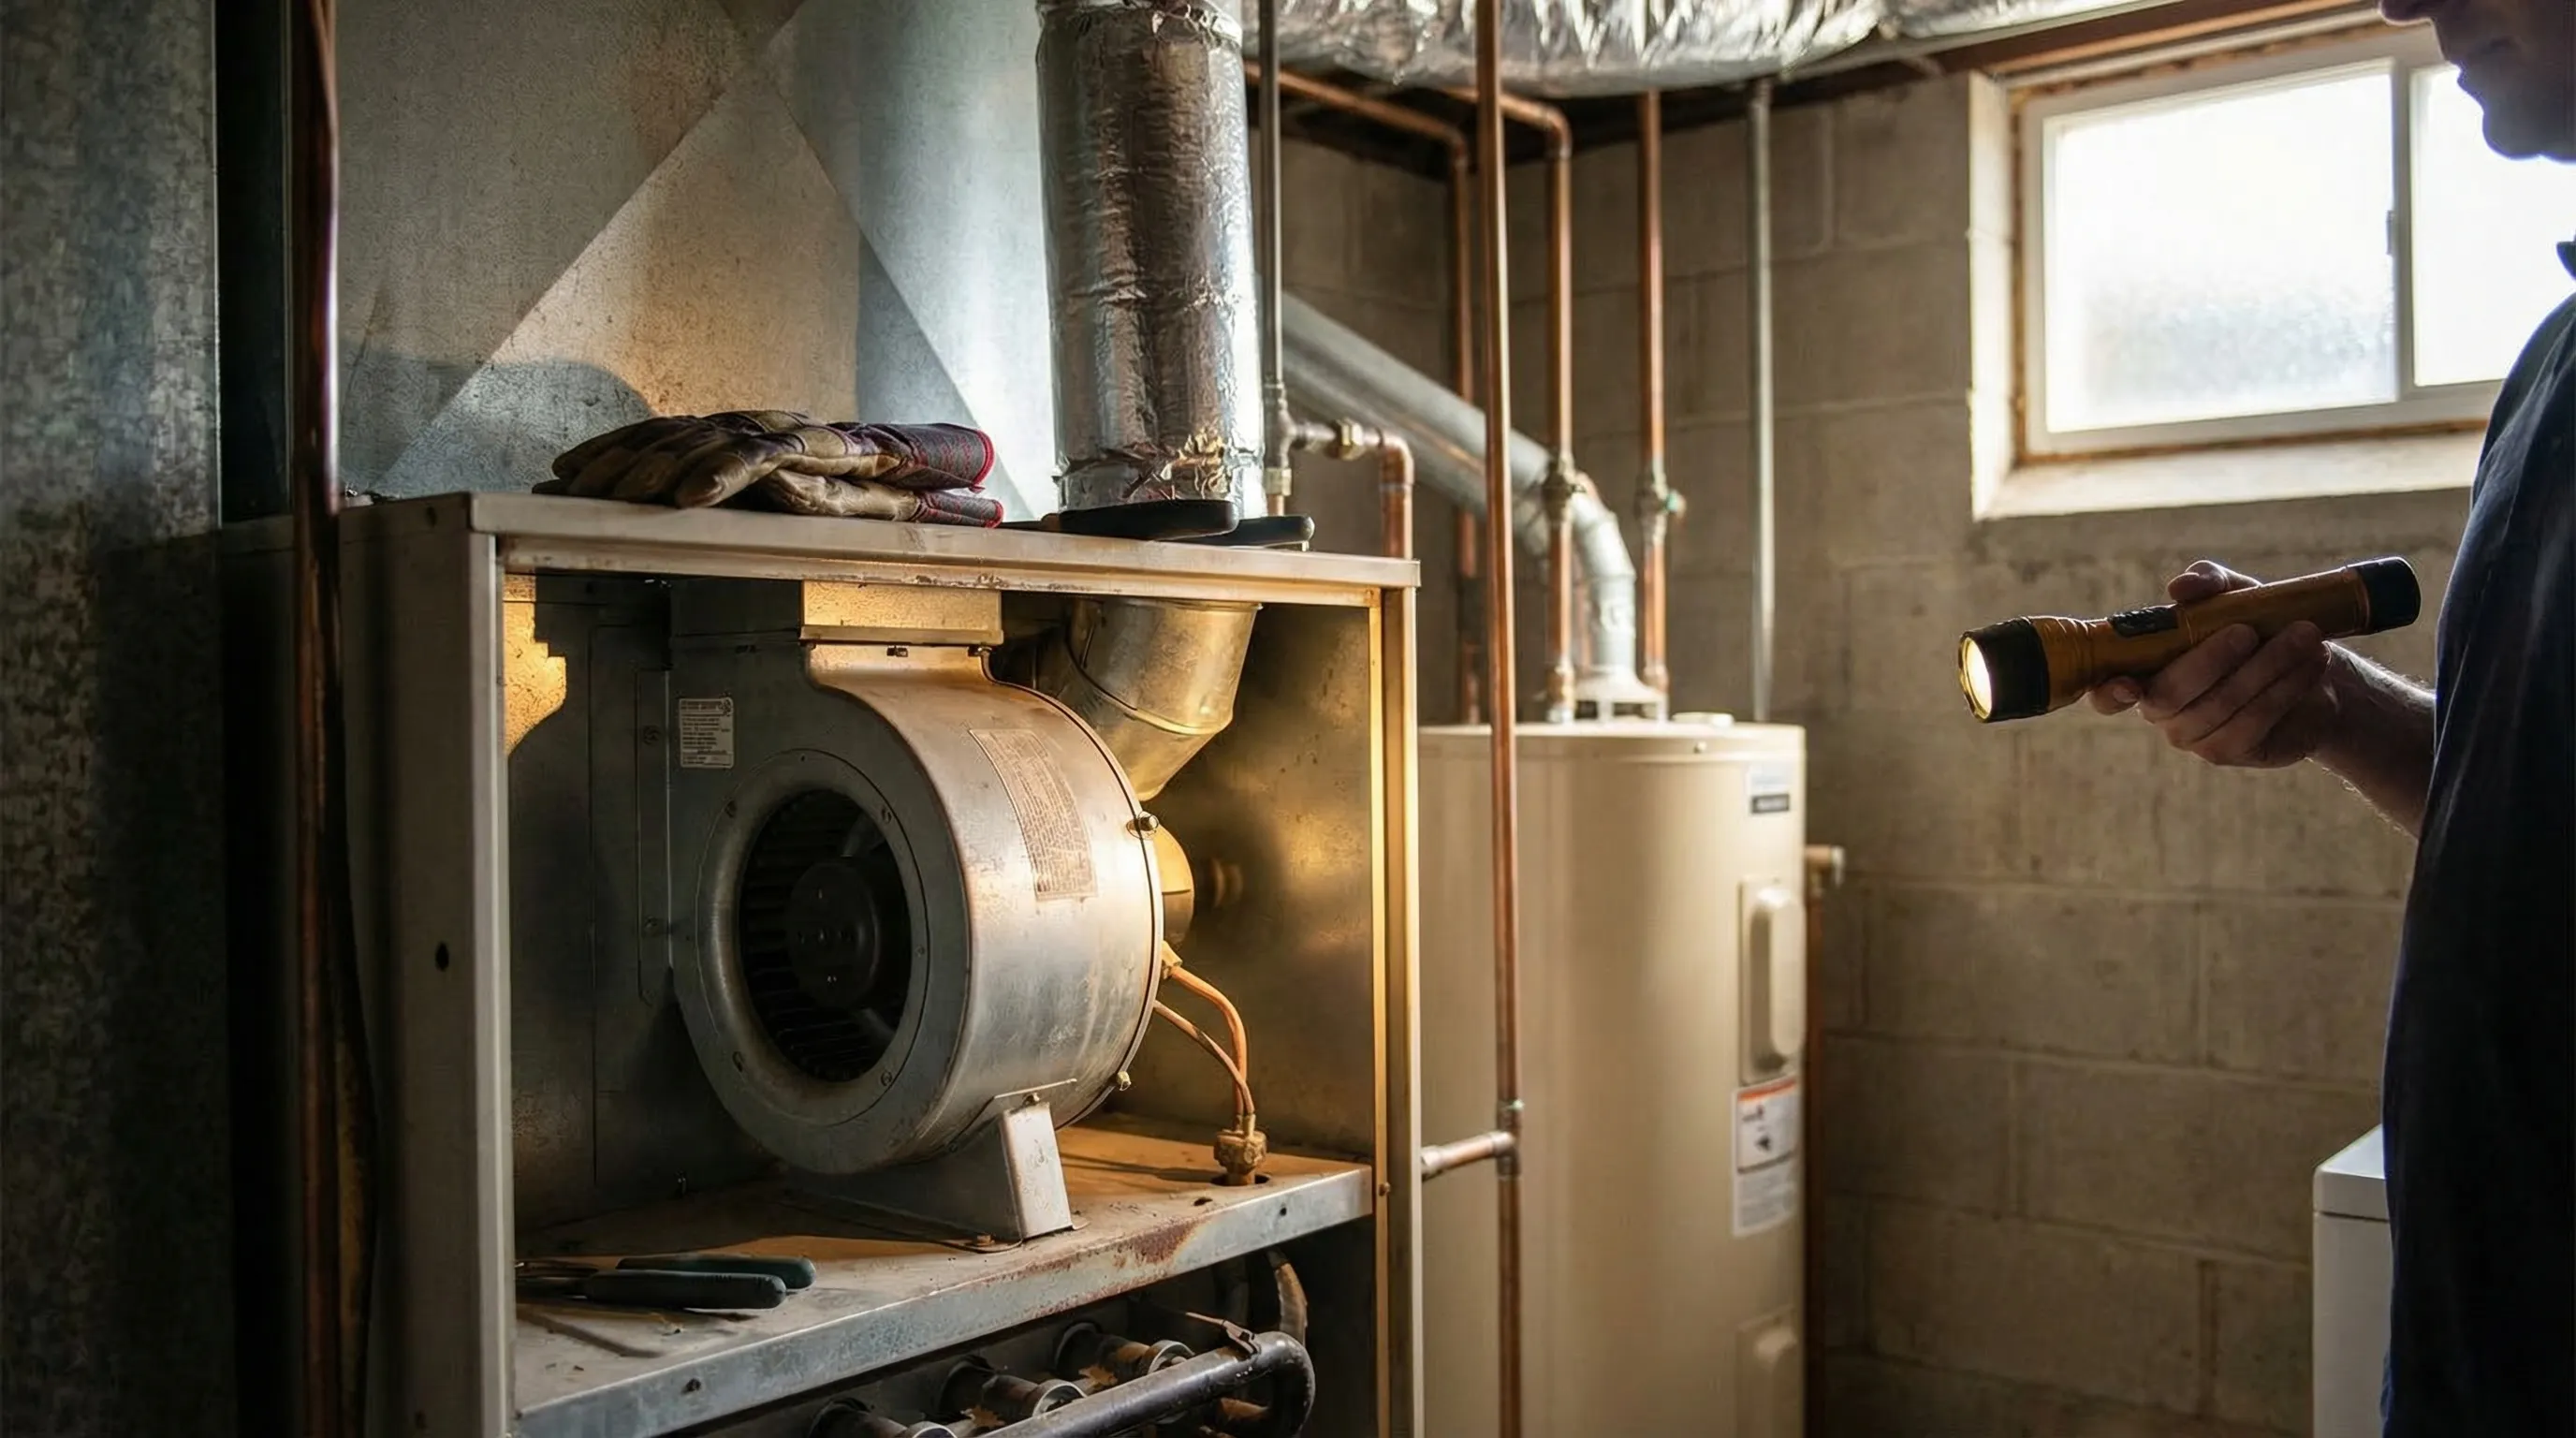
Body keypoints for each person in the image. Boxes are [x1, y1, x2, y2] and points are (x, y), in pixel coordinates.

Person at [2089, 1, 2571, 1431]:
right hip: (2481, 1340)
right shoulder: (2551, 369)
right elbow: (2533, 825)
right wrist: (2340, 711)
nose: (2410, 0)